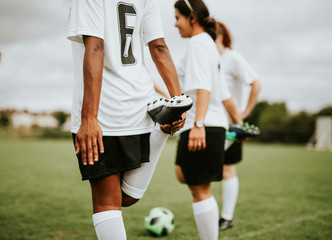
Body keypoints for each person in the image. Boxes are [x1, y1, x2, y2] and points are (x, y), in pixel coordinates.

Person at [67, 1, 188, 239]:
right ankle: (162, 129)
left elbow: (96, 47)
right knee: (126, 197)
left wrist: (89, 118)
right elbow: (159, 47)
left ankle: (162, 128)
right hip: (141, 105)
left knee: (107, 204)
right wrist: (178, 100)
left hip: (105, 112)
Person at [173, 1, 243, 239]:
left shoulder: (198, 43)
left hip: (202, 125)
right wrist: (238, 123)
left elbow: (203, 87)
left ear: (192, 17)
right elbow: (223, 94)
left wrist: (199, 125)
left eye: (178, 18)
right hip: (212, 124)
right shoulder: (210, 46)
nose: (175, 24)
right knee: (185, 176)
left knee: (200, 190)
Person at [215, 21, 261, 230]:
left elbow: (256, 84)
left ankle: (226, 217)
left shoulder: (232, 58)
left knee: (227, 170)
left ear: (222, 37)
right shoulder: (208, 58)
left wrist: (244, 113)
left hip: (230, 127)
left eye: (212, 36)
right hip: (210, 123)